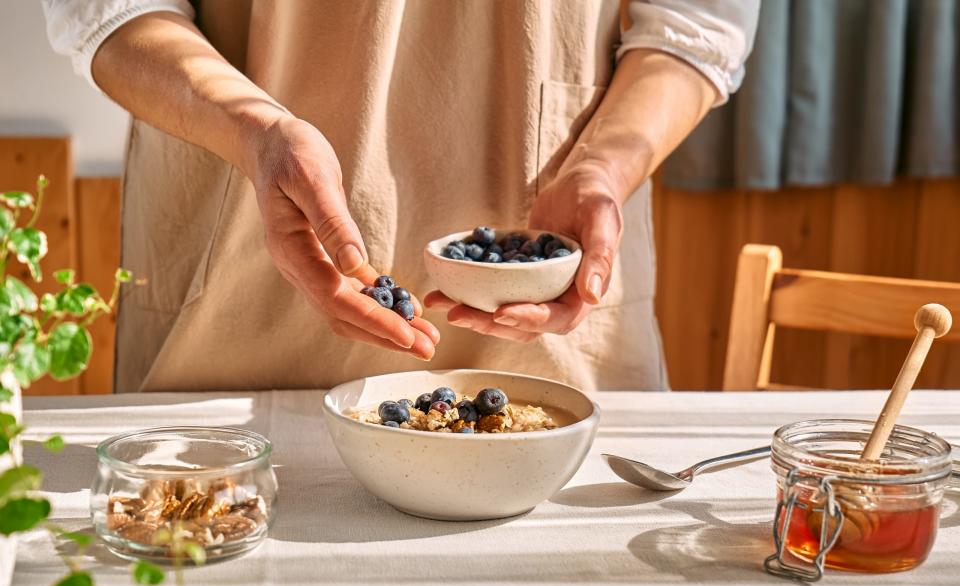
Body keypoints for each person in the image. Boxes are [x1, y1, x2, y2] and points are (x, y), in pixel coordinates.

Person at [43, 0, 758, 392]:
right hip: (230, 317)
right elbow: (110, 9)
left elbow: (696, 25)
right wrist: (255, 129)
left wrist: (603, 166)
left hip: (552, 356)